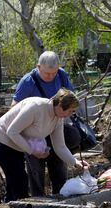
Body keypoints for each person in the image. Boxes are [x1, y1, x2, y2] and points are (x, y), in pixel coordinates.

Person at [0, 89, 89, 202]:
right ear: (60, 105)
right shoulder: (35, 108)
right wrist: (32, 151)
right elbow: (12, 131)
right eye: (70, 111)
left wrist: (75, 162)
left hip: (16, 144)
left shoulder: (57, 118)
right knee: (19, 179)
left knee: (15, 180)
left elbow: (60, 146)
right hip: (1, 140)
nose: (70, 115)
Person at [12, 51, 81, 196]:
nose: (50, 77)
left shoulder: (61, 75)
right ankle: (38, 199)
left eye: (53, 73)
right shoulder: (28, 81)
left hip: (55, 127)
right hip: (34, 132)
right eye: (46, 73)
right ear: (38, 67)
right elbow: (15, 107)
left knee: (59, 163)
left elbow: (70, 99)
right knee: (36, 167)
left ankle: (61, 195)